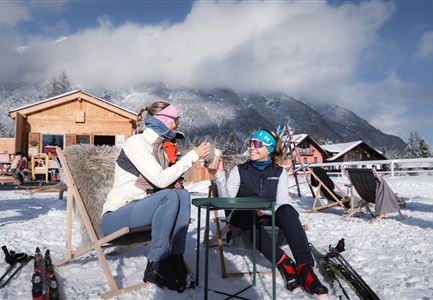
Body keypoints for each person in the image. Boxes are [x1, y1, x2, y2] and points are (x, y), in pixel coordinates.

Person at [101, 101, 210, 292]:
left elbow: (160, 184)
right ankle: (155, 265)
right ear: (161, 120)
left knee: (182, 194)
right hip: (115, 217)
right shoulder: (136, 143)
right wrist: (192, 157)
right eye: (175, 120)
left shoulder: (159, 150)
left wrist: (172, 183)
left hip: (140, 211)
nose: (177, 125)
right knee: (169, 196)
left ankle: (175, 258)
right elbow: (160, 181)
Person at [213, 129, 328, 295]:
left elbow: (282, 203)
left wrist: (265, 210)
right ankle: (283, 262)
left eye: (257, 144)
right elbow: (226, 203)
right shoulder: (240, 170)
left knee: (288, 210)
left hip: (267, 217)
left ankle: (305, 269)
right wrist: (219, 176)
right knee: (247, 213)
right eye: (251, 143)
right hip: (242, 219)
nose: (251, 147)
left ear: (269, 148)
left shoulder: (279, 172)